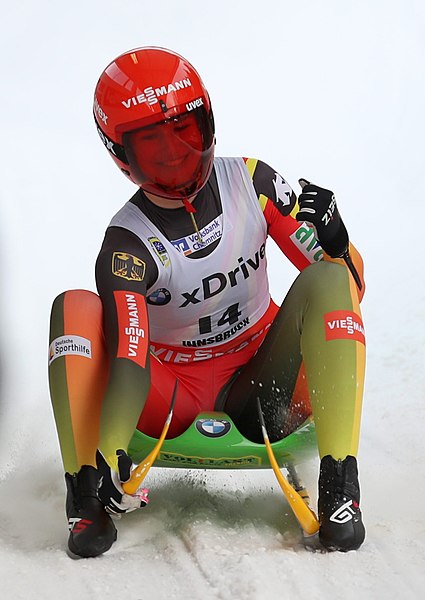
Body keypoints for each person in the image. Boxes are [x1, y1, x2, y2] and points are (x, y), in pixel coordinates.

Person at [48, 46, 366, 558]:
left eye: (184, 131)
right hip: (168, 400)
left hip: (265, 384)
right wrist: (109, 451)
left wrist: (335, 240)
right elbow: (130, 359)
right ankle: (86, 491)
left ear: (209, 122)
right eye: (152, 143)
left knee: (328, 275)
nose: (175, 154)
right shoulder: (126, 244)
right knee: (75, 307)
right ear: (122, 155)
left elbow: (345, 292)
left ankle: (341, 487)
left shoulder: (256, 183)